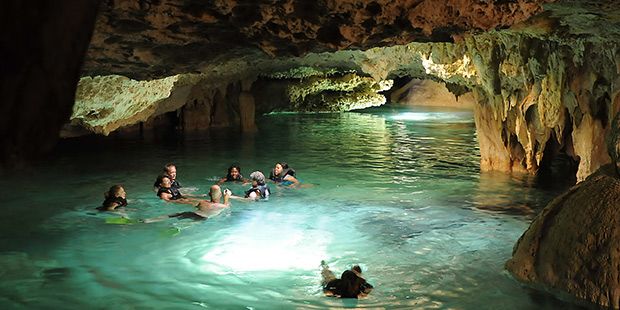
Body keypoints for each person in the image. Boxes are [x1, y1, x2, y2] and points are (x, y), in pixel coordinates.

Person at [144, 185, 231, 222]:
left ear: (208, 194)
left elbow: (184, 201)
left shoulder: (201, 202)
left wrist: (169, 200)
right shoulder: (222, 206)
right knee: (192, 223)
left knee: (175, 215)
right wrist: (226, 197)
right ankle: (178, 227)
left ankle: (148, 220)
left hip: (193, 213)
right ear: (220, 195)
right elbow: (226, 205)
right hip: (203, 217)